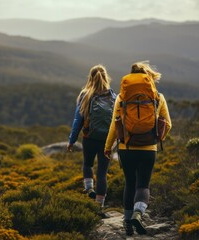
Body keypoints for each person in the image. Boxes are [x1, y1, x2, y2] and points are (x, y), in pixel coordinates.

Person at [104, 61, 172, 236]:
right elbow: (168, 124)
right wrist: (157, 138)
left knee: (130, 183)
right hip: (148, 148)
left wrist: (108, 147)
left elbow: (114, 125)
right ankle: (138, 213)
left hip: (126, 147)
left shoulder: (121, 98)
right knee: (143, 185)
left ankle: (127, 224)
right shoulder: (158, 97)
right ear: (148, 77)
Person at [67, 64, 115, 208]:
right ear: (106, 78)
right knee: (102, 173)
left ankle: (89, 189)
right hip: (107, 140)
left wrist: (72, 140)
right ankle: (99, 205)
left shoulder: (85, 94)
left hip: (89, 138)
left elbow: (78, 120)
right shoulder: (113, 96)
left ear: (91, 77)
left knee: (87, 165)